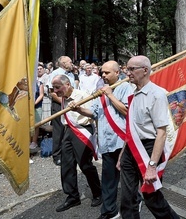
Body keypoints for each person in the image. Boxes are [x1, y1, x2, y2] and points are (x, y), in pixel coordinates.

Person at [70, 61, 132, 219]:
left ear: (117, 73)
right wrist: (79, 109)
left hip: (122, 141)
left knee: (129, 179)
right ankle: (109, 211)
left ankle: (133, 206)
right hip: (106, 142)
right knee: (108, 179)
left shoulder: (126, 87)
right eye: (102, 72)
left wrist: (110, 94)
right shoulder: (100, 91)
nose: (103, 75)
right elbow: (94, 113)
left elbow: (128, 111)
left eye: (107, 73)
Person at [120, 55, 179, 218]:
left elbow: (161, 132)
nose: (128, 72)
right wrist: (122, 154)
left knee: (151, 197)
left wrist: (152, 165)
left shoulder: (157, 94)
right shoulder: (133, 93)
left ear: (145, 70)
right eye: (127, 69)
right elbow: (131, 129)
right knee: (127, 198)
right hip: (130, 149)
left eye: (131, 69)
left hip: (149, 148)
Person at [51, 74, 102, 213]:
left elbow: (92, 113)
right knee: (66, 164)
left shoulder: (82, 95)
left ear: (67, 84)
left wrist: (78, 108)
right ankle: (72, 196)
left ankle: (98, 193)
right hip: (69, 130)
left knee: (85, 164)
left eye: (57, 87)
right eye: (53, 88)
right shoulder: (64, 97)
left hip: (82, 129)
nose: (55, 91)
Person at [48, 56, 76, 166]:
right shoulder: (55, 73)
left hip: (71, 104)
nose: (71, 63)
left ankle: (68, 152)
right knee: (58, 130)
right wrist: (64, 103)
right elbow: (52, 92)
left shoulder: (71, 75)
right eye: (69, 61)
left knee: (69, 129)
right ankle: (57, 155)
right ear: (63, 63)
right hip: (59, 104)